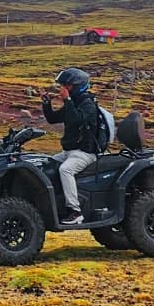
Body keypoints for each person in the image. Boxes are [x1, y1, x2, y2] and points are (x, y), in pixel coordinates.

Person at [41, 67, 103, 224]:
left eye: (66, 85)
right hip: (69, 152)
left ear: (77, 86)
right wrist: (47, 104)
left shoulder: (87, 104)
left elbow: (76, 120)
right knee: (47, 164)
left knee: (65, 169)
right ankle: (55, 203)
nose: (63, 89)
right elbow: (53, 119)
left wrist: (67, 100)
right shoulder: (74, 103)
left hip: (85, 153)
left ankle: (75, 211)